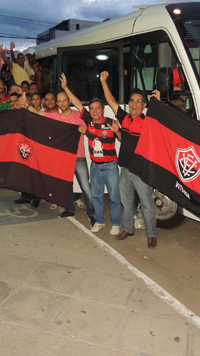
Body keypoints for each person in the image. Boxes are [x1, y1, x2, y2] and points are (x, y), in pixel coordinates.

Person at [101, 71, 158, 248]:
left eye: (138, 101)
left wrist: (158, 102)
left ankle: (151, 234)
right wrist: (104, 81)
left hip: (141, 170)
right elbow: (111, 101)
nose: (134, 104)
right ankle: (128, 228)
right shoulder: (125, 119)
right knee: (126, 202)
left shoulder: (148, 122)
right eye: (132, 100)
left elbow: (163, 121)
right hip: (124, 168)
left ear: (144, 105)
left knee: (147, 204)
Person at [60, 73, 122, 235]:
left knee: (115, 197)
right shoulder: (88, 121)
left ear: (103, 110)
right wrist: (65, 88)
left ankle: (116, 223)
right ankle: (99, 221)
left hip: (110, 167)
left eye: (97, 108)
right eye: (92, 109)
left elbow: (123, 139)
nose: (94, 111)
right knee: (97, 197)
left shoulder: (110, 122)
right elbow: (77, 104)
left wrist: (118, 132)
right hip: (95, 167)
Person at [24, 91, 95, 224]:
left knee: (86, 187)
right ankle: (70, 210)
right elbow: (39, 113)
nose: (62, 103)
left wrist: (85, 131)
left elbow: (90, 128)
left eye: (64, 100)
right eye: (60, 101)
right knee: (66, 186)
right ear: (58, 104)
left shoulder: (78, 116)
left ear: (69, 101)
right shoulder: (56, 117)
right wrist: (27, 105)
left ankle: (91, 213)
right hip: (64, 159)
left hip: (79, 157)